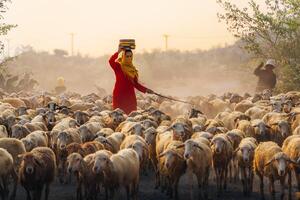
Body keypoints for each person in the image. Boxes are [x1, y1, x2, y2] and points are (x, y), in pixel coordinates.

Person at [109, 47, 154, 114]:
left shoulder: (133, 70)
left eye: (130, 56)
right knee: (119, 116)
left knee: (131, 116)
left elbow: (136, 84)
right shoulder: (118, 67)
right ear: (123, 56)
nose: (129, 58)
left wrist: (146, 90)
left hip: (130, 97)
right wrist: (118, 52)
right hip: (119, 96)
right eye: (127, 56)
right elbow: (111, 61)